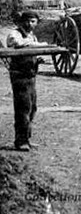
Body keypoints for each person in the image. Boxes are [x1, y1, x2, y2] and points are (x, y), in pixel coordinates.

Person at [5, 10, 48, 151]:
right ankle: (20, 141)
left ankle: (26, 139)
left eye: (33, 21)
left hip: (31, 75)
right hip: (20, 76)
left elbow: (31, 48)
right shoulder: (15, 34)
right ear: (21, 22)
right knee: (23, 107)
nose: (30, 24)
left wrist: (37, 59)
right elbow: (19, 44)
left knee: (32, 107)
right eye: (27, 21)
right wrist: (41, 45)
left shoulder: (32, 36)